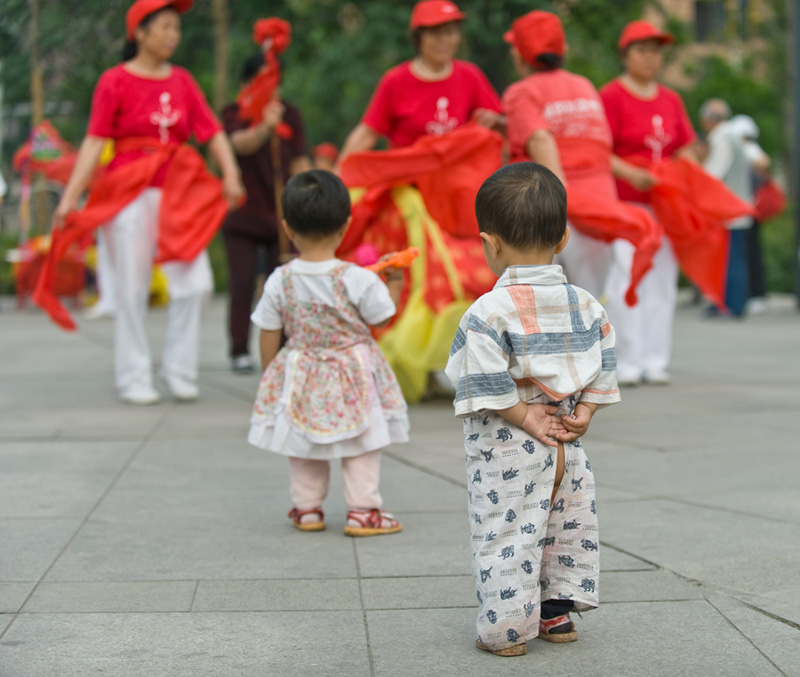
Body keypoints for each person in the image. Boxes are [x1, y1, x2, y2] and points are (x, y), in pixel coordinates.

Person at [445, 162, 620, 657]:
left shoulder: (487, 311)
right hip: (567, 441)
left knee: (506, 530)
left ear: (490, 242)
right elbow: (605, 360)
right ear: (562, 238)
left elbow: (478, 376)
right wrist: (586, 409)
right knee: (565, 526)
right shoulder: (586, 305)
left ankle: (504, 630)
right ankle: (555, 614)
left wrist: (522, 415)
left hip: (511, 446)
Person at [47, 0, 244, 404]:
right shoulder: (114, 81)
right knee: (131, 288)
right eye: (166, 26)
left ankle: (180, 369)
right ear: (139, 32)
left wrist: (232, 174)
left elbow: (212, 131)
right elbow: (94, 141)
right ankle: (134, 375)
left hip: (178, 194)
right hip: (128, 194)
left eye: (176, 27)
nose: (174, 35)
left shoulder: (184, 81)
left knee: (196, 285)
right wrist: (70, 198)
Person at [248, 170, 409, 536]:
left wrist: (271, 372)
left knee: (303, 440)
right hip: (353, 368)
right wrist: (395, 282)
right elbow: (382, 317)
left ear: (288, 228)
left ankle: (307, 508)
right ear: (346, 225)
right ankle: (363, 511)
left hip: (302, 367)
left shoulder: (280, 279)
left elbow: (268, 330)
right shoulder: (357, 278)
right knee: (362, 439)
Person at [600, 20, 697, 385]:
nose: (650, 57)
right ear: (625, 55)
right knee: (628, 277)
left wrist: (689, 169)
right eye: (642, 50)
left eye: (656, 51)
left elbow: (685, 145)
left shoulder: (671, 98)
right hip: (626, 205)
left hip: (664, 205)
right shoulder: (611, 95)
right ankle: (626, 359)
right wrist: (628, 172)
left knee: (662, 280)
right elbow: (598, 149)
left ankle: (655, 358)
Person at [502, 10, 616, 299]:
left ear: (520, 54)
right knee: (591, 305)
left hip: (554, 214)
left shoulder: (521, 92)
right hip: (601, 211)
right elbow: (590, 145)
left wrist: (560, 199)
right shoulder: (584, 86)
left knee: (544, 309)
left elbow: (541, 137)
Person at [222, 53, 309, 374]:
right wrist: (263, 128)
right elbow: (237, 144)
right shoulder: (233, 114)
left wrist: (309, 195)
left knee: (283, 281)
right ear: (246, 83)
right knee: (243, 282)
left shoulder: (291, 115)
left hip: (280, 216)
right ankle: (239, 349)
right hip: (242, 215)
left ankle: (285, 347)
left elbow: (299, 161)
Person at [338, 0, 502, 160]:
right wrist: (335, 175)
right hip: (408, 176)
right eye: (435, 32)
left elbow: (504, 124)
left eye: (451, 32)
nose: (444, 39)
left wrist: (494, 121)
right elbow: (367, 133)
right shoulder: (395, 80)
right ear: (418, 37)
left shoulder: (470, 75)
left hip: (456, 176)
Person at [699, 99, 752, 317]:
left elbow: (713, 174)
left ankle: (730, 304)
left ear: (709, 119)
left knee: (728, 259)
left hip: (726, 210)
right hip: (739, 206)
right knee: (734, 256)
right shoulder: (735, 136)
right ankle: (730, 302)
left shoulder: (721, 138)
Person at [729, 114, 771, 314]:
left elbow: (764, 162)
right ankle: (750, 294)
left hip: (748, 209)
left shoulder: (748, 149)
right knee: (745, 252)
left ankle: (756, 294)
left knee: (749, 252)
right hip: (742, 208)